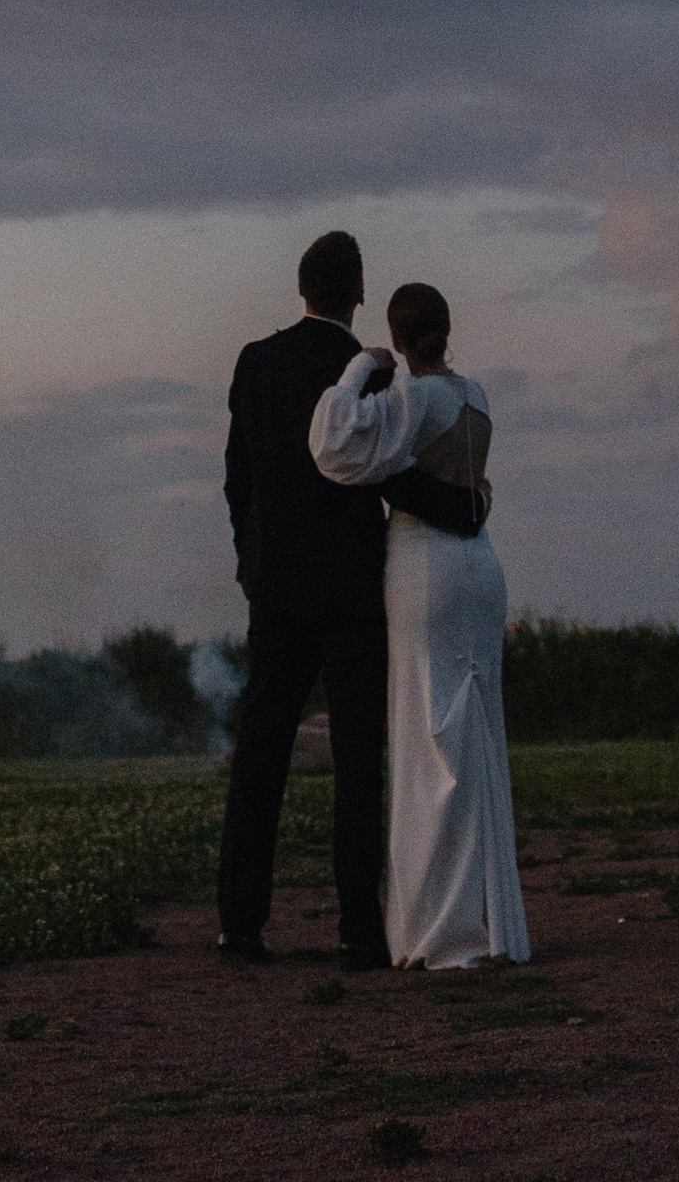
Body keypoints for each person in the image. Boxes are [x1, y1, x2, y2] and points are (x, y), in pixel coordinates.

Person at [215, 228, 493, 967]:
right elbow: (385, 471)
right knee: (357, 756)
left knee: (261, 752)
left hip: (274, 589)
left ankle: (240, 924)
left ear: (302, 289)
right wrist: (465, 505)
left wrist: (252, 565)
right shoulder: (367, 371)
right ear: (359, 293)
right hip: (348, 588)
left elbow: (238, 480)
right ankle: (357, 929)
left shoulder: (254, 363)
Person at [309, 279, 529, 969]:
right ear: (447, 327)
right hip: (481, 570)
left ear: (399, 338)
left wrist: (358, 368)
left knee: (428, 737)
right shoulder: (477, 397)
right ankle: (491, 925)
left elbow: (334, 443)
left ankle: (440, 931)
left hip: (425, 570)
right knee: (476, 736)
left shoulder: (413, 396)